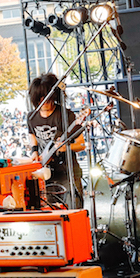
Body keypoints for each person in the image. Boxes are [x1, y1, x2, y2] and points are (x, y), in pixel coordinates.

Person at [26, 73, 86, 209]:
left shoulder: (66, 115)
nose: (45, 102)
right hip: (46, 173)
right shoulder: (31, 117)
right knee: (51, 212)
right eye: (41, 99)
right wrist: (34, 151)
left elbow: (81, 144)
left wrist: (67, 148)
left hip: (67, 172)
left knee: (72, 211)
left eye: (48, 98)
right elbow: (32, 135)